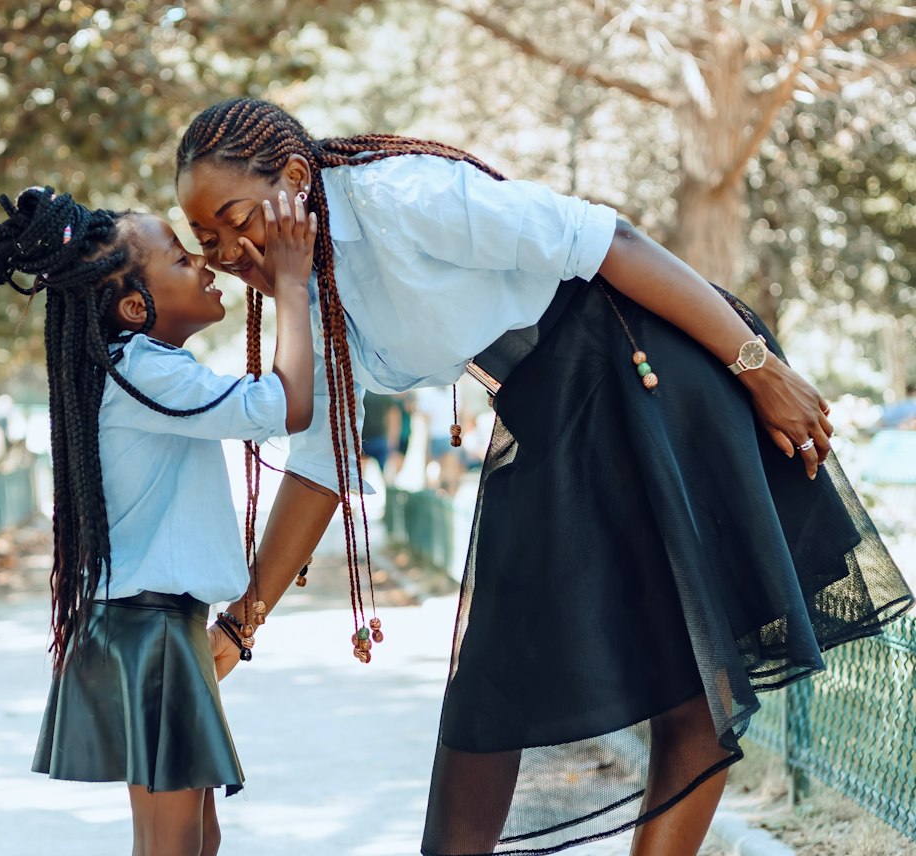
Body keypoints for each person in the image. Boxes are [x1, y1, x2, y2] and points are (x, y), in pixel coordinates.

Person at [174, 98, 913, 856]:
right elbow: (322, 463)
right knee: (492, 692)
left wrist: (759, 370)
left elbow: (610, 240)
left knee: (696, 684)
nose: (231, 249)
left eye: (238, 218)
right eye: (206, 239)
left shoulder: (403, 197)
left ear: (296, 178)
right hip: (552, 410)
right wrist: (240, 624)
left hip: (645, 367)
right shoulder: (310, 291)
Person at [0, 183, 316, 856]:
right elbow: (290, 404)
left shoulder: (136, 371)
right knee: (173, 846)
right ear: (136, 307)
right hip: (152, 632)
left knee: (196, 838)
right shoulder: (147, 375)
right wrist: (292, 284)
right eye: (183, 258)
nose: (206, 264)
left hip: (154, 629)